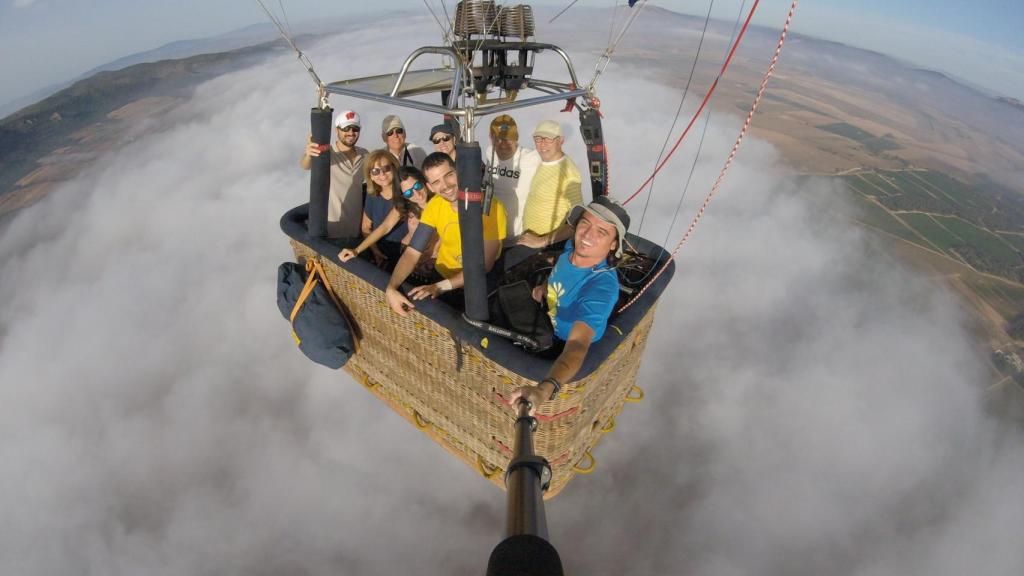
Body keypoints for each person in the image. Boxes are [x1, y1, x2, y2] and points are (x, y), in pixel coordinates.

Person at [508, 195, 629, 414]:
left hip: (562, 345)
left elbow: (577, 346)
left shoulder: (600, 287)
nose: (587, 235)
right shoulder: (571, 247)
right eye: (585, 223)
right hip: (548, 316)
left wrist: (544, 390)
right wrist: (546, 287)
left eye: (601, 232)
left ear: (613, 245)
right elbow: (563, 268)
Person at [384, 152, 507, 316]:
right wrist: (391, 287)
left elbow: (484, 266)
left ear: (459, 172)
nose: (446, 185)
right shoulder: (435, 205)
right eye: (436, 182)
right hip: (442, 276)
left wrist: (439, 287)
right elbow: (412, 252)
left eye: (449, 175)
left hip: (475, 285)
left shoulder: (490, 208)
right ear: (430, 187)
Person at [339, 166, 437, 271]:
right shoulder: (406, 205)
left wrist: (429, 253)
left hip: (432, 259)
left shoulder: (440, 202)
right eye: (408, 193)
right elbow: (385, 227)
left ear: (423, 180)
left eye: (417, 186)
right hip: (407, 254)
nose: (416, 194)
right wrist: (356, 250)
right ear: (403, 196)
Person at [300, 110, 368, 239]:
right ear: (337, 130)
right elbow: (306, 165)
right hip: (329, 230)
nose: (351, 133)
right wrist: (309, 154)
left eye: (355, 129)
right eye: (346, 128)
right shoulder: (327, 153)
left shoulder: (364, 154)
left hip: (354, 231)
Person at [516, 120, 583, 249]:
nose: (542, 144)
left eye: (548, 139)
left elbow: (577, 220)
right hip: (528, 238)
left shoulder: (568, 173)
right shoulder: (541, 160)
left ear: (561, 141)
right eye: (538, 139)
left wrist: (542, 241)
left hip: (545, 246)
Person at [484, 115, 540, 243]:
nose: (502, 145)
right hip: (489, 234)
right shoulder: (489, 153)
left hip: (516, 237)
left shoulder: (531, 158)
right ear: (490, 139)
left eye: (508, 140)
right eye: (497, 140)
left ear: (516, 139)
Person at [358, 150, 405, 267]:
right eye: (375, 171)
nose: (382, 175)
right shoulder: (372, 195)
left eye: (386, 168)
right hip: (380, 249)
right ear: (370, 177)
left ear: (394, 168)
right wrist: (375, 251)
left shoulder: (406, 191)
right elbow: (365, 228)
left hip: (405, 251)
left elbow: (386, 226)